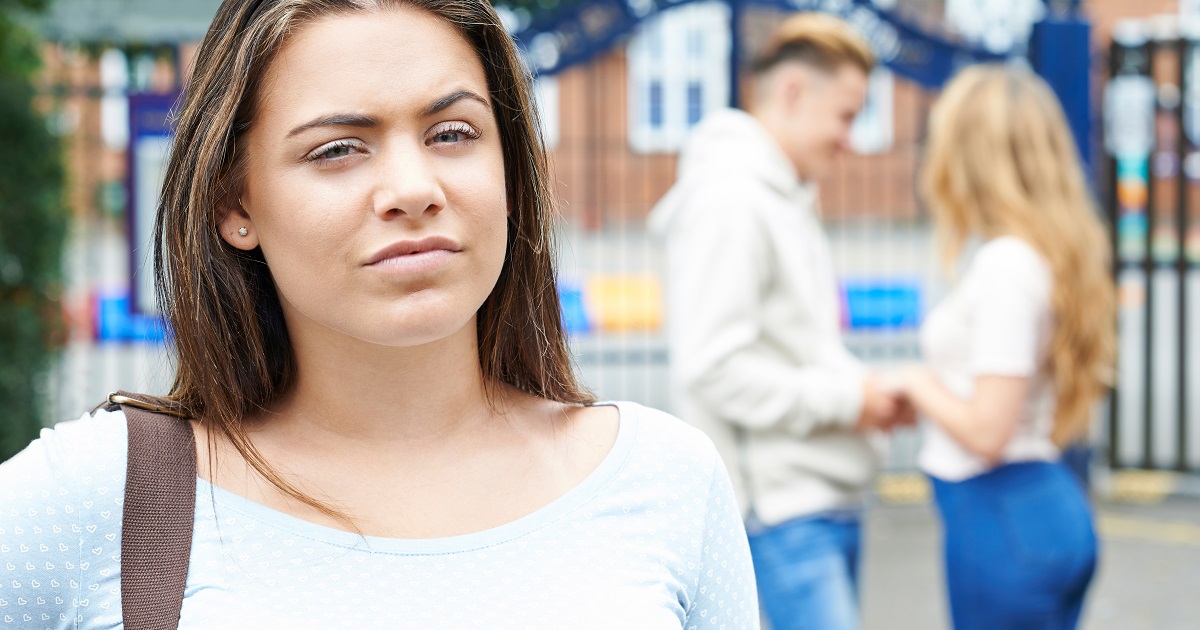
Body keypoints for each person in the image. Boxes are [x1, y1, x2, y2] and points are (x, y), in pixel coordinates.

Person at [0, 0, 760, 627]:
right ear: (236, 203)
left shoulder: (663, 479)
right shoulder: (103, 494)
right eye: (337, 149)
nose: (413, 186)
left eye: (452, 133)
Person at [648, 13, 912, 630]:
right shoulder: (732, 200)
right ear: (792, 91)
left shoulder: (781, 193)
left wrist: (862, 392)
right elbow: (714, 368)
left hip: (820, 502)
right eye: (846, 115)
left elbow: (792, 347)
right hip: (784, 513)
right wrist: (851, 399)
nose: (850, 139)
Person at [891, 64, 1114, 629]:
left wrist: (916, 383)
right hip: (1038, 511)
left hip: (1000, 519)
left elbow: (988, 431)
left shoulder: (1007, 266)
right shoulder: (1040, 256)